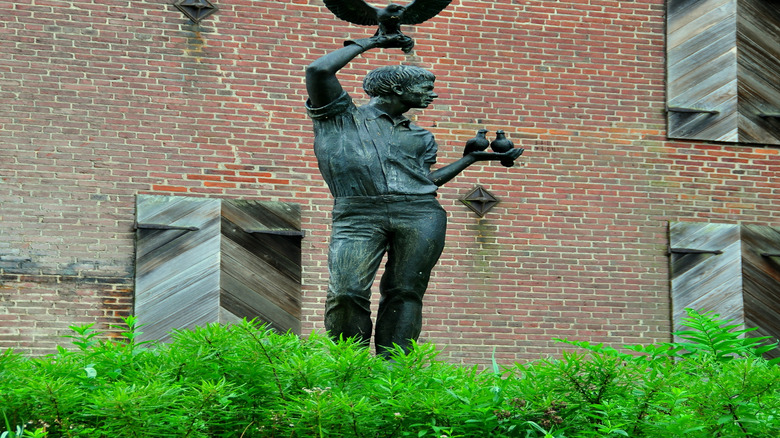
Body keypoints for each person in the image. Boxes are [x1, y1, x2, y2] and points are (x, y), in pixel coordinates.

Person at [305, 34, 523, 358]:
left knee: (406, 291)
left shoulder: (422, 136)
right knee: (346, 290)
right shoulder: (339, 117)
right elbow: (318, 72)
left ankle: (395, 369)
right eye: (424, 87)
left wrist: (468, 160)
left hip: (420, 214)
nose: (431, 93)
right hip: (358, 214)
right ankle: (346, 365)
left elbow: (425, 181)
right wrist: (373, 41)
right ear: (397, 88)